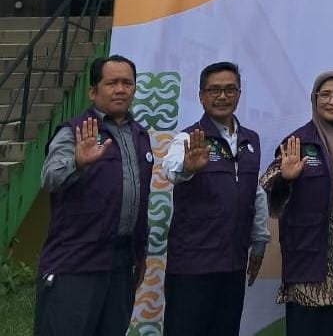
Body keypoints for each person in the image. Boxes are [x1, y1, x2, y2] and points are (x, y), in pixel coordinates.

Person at [35, 55, 153, 336]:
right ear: (92, 91)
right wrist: (77, 162)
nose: (120, 89)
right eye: (111, 83)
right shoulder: (74, 132)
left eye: (127, 83)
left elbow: (138, 200)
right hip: (76, 261)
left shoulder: (140, 135)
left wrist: (140, 255)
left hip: (122, 263)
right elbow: (49, 178)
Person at [260, 71, 333, 336]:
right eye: (325, 95)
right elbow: (268, 185)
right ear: (314, 99)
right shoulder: (298, 141)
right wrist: (285, 178)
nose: (332, 101)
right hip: (308, 259)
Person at [161, 62, 270, 336]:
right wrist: (187, 167)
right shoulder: (189, 138)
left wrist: (259, 242)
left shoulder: (251, 140)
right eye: (214, 90)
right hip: (192, 266)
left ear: (239, 94)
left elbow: (255, 193)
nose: (222, 96)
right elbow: (170, 169)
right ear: (201, 96)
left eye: (230, 90)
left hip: (233, 265)